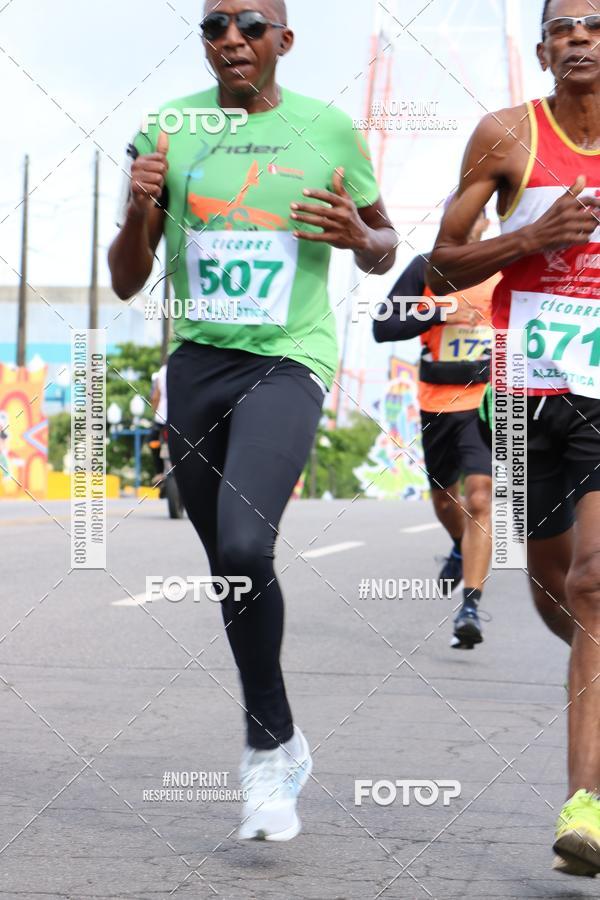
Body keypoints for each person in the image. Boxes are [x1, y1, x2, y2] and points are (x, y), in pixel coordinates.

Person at [108, 0, 396, 842]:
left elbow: (384, 245)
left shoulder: (330, 129)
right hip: (196, 364)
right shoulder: (168, 128)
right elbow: (129, 280)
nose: (232, 38)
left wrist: (357, 236)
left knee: (244, 545)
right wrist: (138, 209)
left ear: (284, 41)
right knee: (228, 571)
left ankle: (267, 753)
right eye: (214, 25)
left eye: (251, 25)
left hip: (287, 359)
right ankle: (280, 730)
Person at [429, 0, 600, 876]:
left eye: (595, 25)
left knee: (595, 581)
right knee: (555, 593)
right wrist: (532, 237)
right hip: (531, 387)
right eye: (564, 26)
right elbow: (439, 261)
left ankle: (586, 809)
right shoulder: (505, 137)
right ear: (542, 48)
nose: (579, 37)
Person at [374, 204, 496, 650]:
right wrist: (437, 311)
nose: (466, 222)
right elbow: (382, 326)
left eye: (475, 215)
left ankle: (470, 605)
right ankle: (462, 544)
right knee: (447, 501)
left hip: (486, 402)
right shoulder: (426, 268)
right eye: (456, 214)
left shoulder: (504, 267)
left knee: (480, 495)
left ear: (486, 222)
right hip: (437, 402)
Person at [149, 361, 168, 486]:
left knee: (152, 441)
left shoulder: (162, 371)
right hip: (183, 418)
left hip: (162, 419)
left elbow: (155, 397)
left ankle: (159, 472)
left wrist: (154, 413)